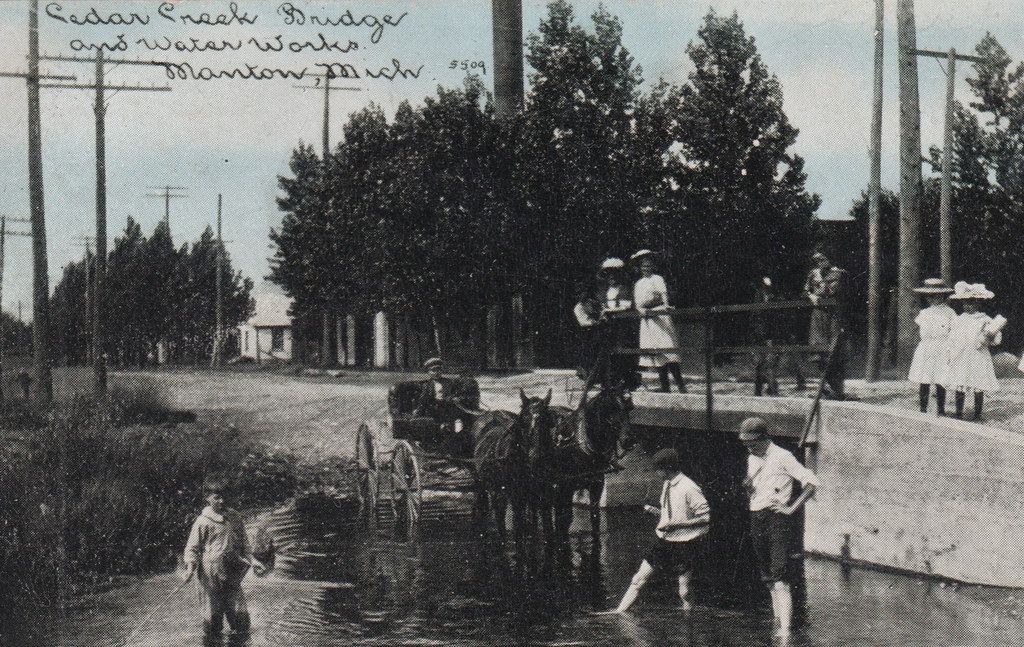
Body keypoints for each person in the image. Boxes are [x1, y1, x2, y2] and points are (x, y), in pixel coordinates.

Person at [739, 417, 819, 636]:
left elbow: (811, 483)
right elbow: (756, 490)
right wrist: (748, 488)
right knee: (768, 578)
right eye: (745, 443)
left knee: (780, 575)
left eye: (752, 443)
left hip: (777, 520)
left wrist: (791, 509)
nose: (749, 447)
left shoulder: (783, 456)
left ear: (765, 438)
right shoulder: (752, 459)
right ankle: (777, 621)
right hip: (757, 517)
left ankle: (785, 632)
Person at [606, 447, 709, 614]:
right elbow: (673, 513)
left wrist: (678, 524)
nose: (656, 474)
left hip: (685, 544)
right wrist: (659, 513)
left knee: (685, 590)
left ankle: (689, 622)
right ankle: (618, 613)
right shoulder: (667, 484)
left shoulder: (689, 487)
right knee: (638, 579)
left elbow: (706, 518)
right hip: (664, 541)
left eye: (658, 470)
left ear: (667, 469)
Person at [184, 477, 268, 641]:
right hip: (210, 575)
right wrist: (189, 568)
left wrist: (253, 560)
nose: (222, 501)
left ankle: (240, 641)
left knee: (241, 619)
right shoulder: (203, 521)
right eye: (217, 497)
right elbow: (192, 548)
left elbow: (244, 544)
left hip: (232, 573)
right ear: (207, 498)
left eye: (225, 497)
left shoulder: (235, 517)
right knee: (212, 619)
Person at [944, 282, 1004, 421]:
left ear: (978, 303)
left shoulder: (985, 320)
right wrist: (950, 351)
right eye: (965, 303)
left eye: (971, 303)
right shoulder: (959, 320)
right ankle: (959, 412)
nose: (968, 306)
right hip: (962, 354)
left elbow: (995, 340)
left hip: (978, 355)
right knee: (961, 381)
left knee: (978, 383)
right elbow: (952, 337)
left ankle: (977, 414)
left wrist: (990, 336)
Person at [631, 249, 686, 393]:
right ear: (640, 268)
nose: (646, 269)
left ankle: (681, 386)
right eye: (643, 267)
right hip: (648, 320)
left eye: (648, 266)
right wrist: (641, 310)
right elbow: (637, 303)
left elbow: (663, 294)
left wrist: (665, 305)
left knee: (669, 350)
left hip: (660, 315)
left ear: (652, 267)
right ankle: (665, 386)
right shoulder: (639, 283)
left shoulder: (658, 279)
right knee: (656, 352)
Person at [804, 252, 848, 399]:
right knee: (818, 350)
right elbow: (805, 290)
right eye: (817, 261)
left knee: (833, 350)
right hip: (818, 315)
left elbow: (829, 291)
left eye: (823, 260)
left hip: (832, 316)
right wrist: (811, 295)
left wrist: (818, 284)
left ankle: (837, 389)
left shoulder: (837, 274)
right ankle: (825, 386)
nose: (819, 263)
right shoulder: (813, 274)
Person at [908, 279, 956, 415]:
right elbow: (919, 329)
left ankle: (940, 408)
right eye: (930, 296)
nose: (933, 299)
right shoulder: (924, 313)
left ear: (943, 296)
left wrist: (951, 346)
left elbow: (954, 330)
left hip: (943, 346)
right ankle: (923, 408)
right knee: (925, 378)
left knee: (941, 378)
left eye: (936, 295)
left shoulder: (949, 312)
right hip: (927, 347)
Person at [414, 357, 465, 433]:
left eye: (438, 370)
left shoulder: (449, 382)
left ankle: (458, 432)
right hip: (434, 408)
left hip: (448, 405)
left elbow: (455, 393)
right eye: (433, 370)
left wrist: (452, 398)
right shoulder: (427, 385)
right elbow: (423, 399)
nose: (436, 372)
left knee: (459, 415)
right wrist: (418, 411)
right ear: (429, 372)